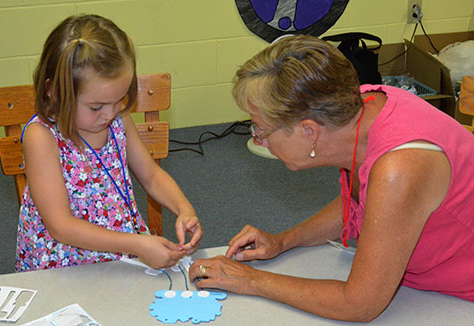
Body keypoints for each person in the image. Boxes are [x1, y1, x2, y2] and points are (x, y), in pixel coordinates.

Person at [189, 35, 474, 322]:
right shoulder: (361, 107)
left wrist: (250, 280)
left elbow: (359, 305)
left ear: (309, 131)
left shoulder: (398, 169)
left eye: (261, 131)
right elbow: (366, 203)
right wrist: (284, 240)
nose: (260, 141)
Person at [16, 14, 202, 272]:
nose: (110, 113)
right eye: (96, 106)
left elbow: (151, 176)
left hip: (125, 254)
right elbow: (60, 226)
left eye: (120, 99)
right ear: (55, 92)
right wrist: (137, 244)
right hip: (66, 265)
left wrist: (184, 208)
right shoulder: (42, 136)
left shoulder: (118, 118)